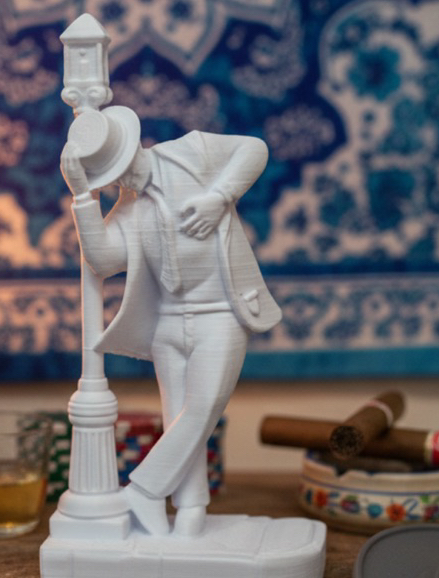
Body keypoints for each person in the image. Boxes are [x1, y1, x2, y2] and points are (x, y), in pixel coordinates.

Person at [61, 106, 282, 536]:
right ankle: (190, 510)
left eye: (121, 169)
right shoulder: (129, 209)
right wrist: (82, 197)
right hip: (167, 323)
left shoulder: (192, 152)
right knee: (178, 418)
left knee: (202, 409)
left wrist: (220, 197)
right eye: (111, 177)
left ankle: (144, 490)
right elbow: (102, 261)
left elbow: (255, 149)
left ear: (132, 149)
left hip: (220, 313)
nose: (122, 182)